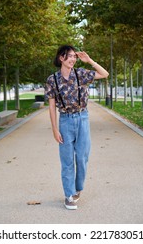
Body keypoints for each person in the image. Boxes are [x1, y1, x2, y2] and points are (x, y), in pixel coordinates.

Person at [45, 45, 109, 210]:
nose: (73, 59)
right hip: (65, 121)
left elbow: (104, 74)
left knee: (82, 158)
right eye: (70, 56)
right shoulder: (52, 80)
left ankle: (77, 188)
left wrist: (89, 61)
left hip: (82, 118)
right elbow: (51, 107)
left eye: (74, 56)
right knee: (67, 161)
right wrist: (54, 129)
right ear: (61, 58)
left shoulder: (81, 73)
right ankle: (68, 195)